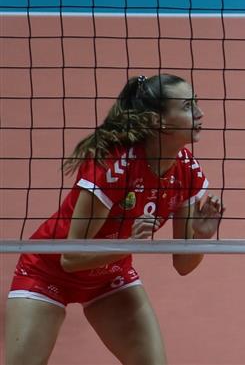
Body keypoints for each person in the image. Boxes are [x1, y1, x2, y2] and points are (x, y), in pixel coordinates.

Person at [6, 73, 224, 365]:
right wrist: (130, 244)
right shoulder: (112, 167)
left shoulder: (188, 172)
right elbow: (70, 259)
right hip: (47, 272)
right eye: (187, 106)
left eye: (195, 103)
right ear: (158, 120)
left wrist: (201, 237)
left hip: (108, 278)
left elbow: (184, 265)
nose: (199, 113)